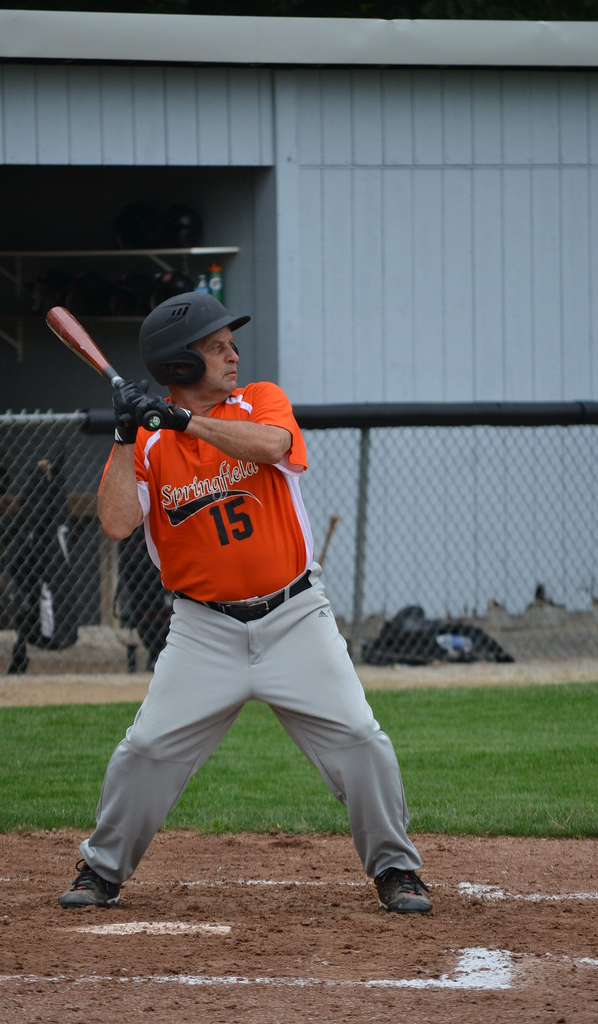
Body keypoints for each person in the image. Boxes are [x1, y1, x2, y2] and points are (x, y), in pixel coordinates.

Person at [58, 291, 432, 916]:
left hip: (295, 619)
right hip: (203, 631)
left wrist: (182, 421)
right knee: (146, 751)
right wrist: (126, 435)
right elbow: (118, 523)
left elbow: (271, 448)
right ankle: (101, 870)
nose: (233, 354)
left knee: (362, 741)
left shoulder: (259, 400)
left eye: (229, 343)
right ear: (179, 366)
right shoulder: (147, 445)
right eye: (215, 347)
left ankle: (396, 868)